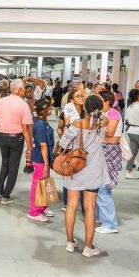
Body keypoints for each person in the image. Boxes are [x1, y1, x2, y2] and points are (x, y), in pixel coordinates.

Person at [59, 95, 109, 258]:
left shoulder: (76, 124)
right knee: (90, 208)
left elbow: (62, 144)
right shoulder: (102, 125)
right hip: (94, 170)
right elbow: (106, 117)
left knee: (72, 205)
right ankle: (88, 247)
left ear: (85, 108)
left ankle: (70, 242)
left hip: (75, 169)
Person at [0, 79, 33, 204]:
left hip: (2, 137)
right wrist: (29, 147)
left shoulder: (1, 101)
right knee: (13, 167)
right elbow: (26, 129)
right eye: (24, 89)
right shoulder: (23, 105)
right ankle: (6, 196)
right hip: (16, 138)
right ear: (20, 90)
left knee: (4, 164)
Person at [96, 91, 123, 234]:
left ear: (107, 101)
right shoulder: (104, 113)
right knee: (99, 185)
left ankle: (110, 224)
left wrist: (98, 126)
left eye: (100, 99)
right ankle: (103, 218)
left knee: (103, 187)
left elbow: (110, 132)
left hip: (109, 149)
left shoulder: (112, 113)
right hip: (104, 149)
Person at [26, 98, 55, 222]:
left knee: (44, 184)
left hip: (44, 157)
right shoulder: (39, 124)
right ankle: (34, 211)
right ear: (44, 110)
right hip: (40, 159)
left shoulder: (43, 121)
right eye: (50, 107)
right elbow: (42, 145)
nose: (52, 109)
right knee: (38, 185)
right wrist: (46, 164)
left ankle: (42, 207)